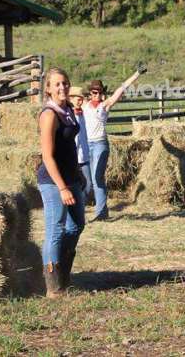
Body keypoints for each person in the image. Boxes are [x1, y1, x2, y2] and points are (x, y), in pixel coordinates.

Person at [38, 68, 85, 297]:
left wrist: (77, 173)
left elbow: (69, 148)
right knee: (55, 229)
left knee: (76, 224)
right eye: (56, 84)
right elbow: (47, 156)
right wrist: (62, 187)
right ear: (48, 88)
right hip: (53, 181)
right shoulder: (49, 114)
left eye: (65, 83)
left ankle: (63, 273)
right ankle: (53, 286)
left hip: (71, 176)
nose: (62, 87)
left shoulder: (67, 110)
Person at [83, 66, 145, 222]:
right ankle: (88, 210)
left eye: (99, 92)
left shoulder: (105, 105)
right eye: (94, 92)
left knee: (98, 177)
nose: (97, 95)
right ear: (90, 93)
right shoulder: (83, 105)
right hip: (86, 144)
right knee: (89, 180)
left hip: (99, 144)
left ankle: (101, 213)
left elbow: (121, 88)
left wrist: (136, 74)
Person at [68, 86, 91, 196]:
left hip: (84, 156)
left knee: (88, 185)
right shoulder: (69, 115)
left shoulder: (82, 114)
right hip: (74, 157)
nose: (81, 102)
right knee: (75, 185)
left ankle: (80, 206)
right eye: (78, 99)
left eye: (82, 99)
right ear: (71, 99)